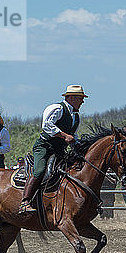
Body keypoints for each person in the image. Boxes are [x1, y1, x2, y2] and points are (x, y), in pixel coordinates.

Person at [19, 85, 87, 213]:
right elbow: (47, 125)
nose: (82, 101)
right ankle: (25, 201)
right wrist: (65, 136)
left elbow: (73, 136)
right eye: (81, 98)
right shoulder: (57, 108)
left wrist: (79, 146)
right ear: (71, 98)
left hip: (59, 151)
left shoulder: (76, 116)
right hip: (44, 147)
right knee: (39, 170)